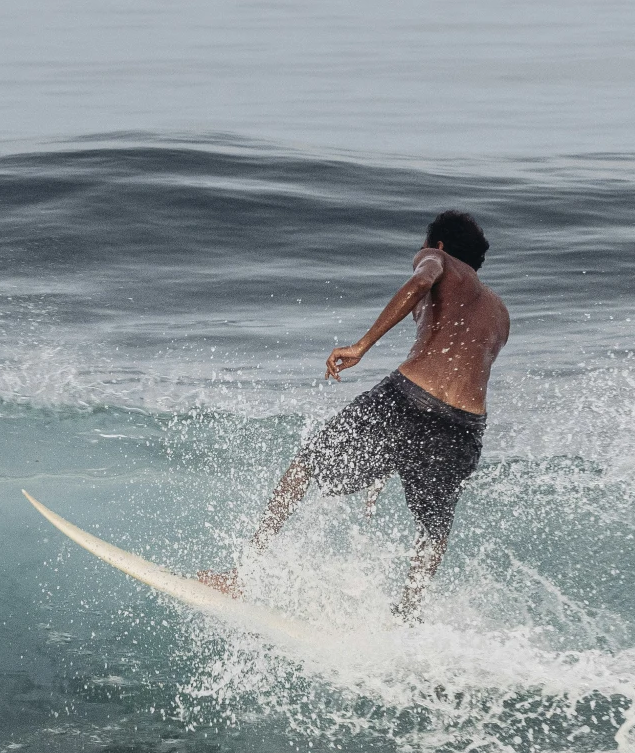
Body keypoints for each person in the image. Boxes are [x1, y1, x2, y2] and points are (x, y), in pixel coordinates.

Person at [204, 209, 509, 619]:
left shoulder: (437, 260)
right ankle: (407, 615)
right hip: (464, 429)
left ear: (437, 245)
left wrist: (362, 345)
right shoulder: (500, 314)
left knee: (305, 466)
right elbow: (459, 369)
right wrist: (391, 458)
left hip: (409, 400)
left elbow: (421, 281)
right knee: (433, 531)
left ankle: (241, 576)